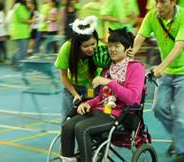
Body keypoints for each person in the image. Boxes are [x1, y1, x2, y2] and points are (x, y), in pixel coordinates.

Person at [60, 27, 145, 162]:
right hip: (101, 110)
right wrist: (87, 103)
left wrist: (109, 82)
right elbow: (100, 97)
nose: (112, 49)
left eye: (117, 46)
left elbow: (132, 99)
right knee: (67, 126)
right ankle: (67, 160)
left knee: (82, 129)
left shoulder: (136, 68)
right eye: (110, 46)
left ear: (127, 48)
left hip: (120, 115)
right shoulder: (107, 69)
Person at [131, 0, 184, 161]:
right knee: (158, 108)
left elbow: (179, 46)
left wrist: (160, 67)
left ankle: (181, 152)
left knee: (181, 117)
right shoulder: (151, 16)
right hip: (166, 73)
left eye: (163, 2)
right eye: (156, 1)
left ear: (173, 2)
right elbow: (139, 39)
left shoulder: (183, 15)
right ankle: (179, 138)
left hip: (182, 73)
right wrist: (126, 59)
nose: (159, 5)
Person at [54, 16, 111, 122]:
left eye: (93, 44)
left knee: (88, 116)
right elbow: (63, 76)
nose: (90, 49)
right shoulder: (67, 49)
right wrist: (75, 95)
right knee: (66, 119)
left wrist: (128, 53)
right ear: (76, 46)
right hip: (72, 87)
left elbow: (117, 55)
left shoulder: (101, 49)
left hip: (91, 86)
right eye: (85, 46)